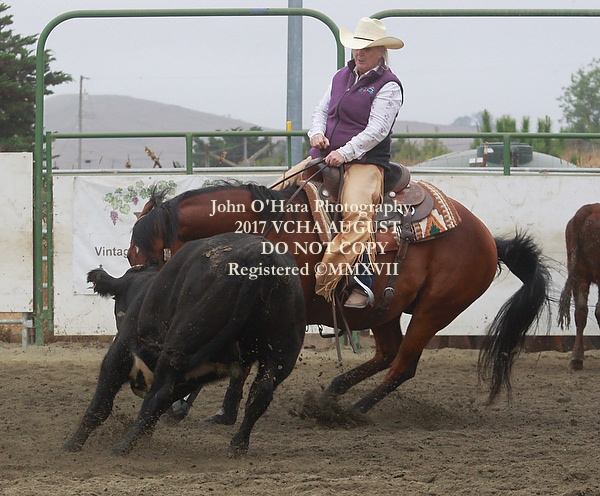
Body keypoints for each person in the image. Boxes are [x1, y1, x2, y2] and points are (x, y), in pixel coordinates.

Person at [273, 17, 404, 308]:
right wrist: (316, 133)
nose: (359, 53)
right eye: (357, 47)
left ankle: (333, 282)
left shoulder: (389, 86)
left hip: (365, 163)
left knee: (356, 213)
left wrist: (344, 152)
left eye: (367, 49)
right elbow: (321, 111)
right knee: (279, 188)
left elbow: (377, 130)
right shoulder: (341, 76)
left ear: (381, 52)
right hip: (326, 156)